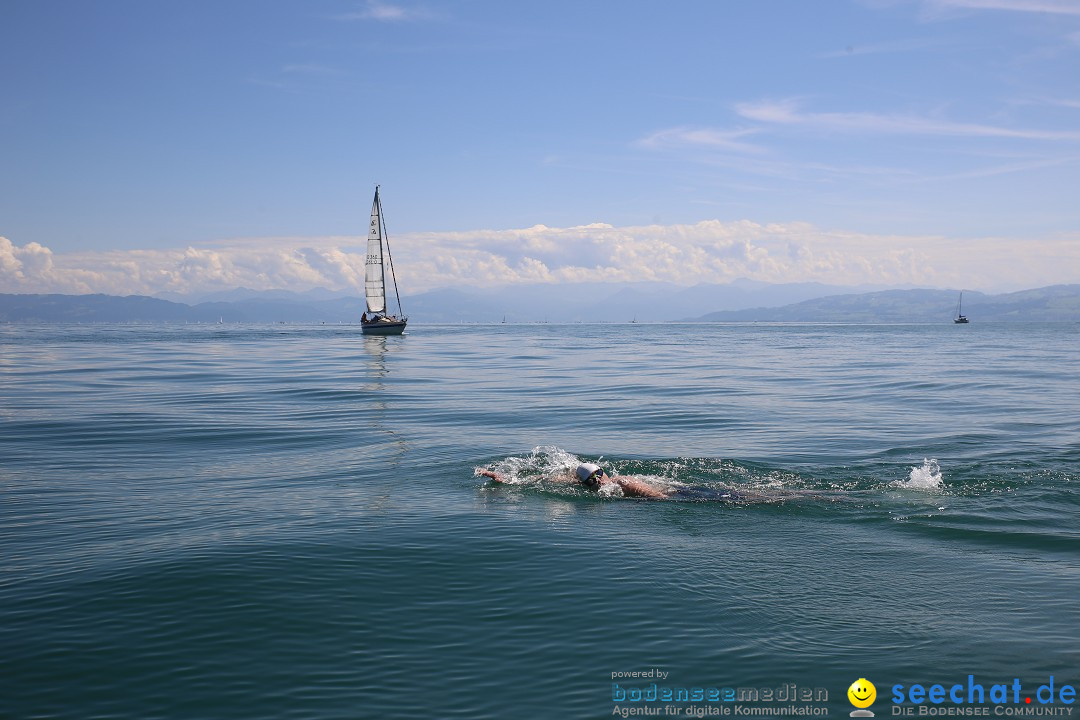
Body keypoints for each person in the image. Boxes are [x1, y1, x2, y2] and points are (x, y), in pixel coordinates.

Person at [477, 462, 670, 499]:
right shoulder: (578, 484)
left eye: (598, 477)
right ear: (582, 483)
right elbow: (543, 478)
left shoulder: (625, 483)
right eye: (591, 481)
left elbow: (661, 498)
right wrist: (505, 480)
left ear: (604, 474)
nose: (598, 484)